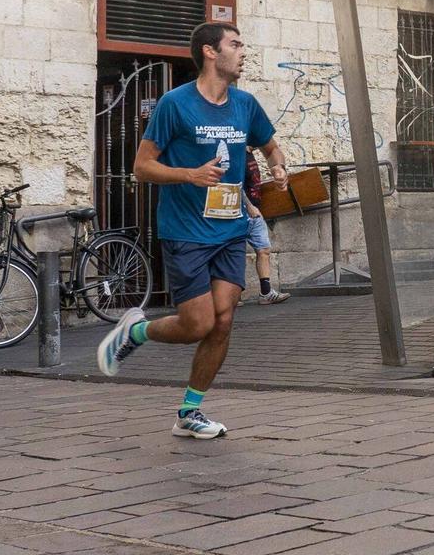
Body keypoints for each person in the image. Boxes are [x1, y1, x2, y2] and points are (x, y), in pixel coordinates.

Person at [94, 22, 288, 438]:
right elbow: (142, 167)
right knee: (198, 324)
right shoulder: (175, 104)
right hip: (185, 230)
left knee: (223, 321)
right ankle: (137, 330)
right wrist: (190, 174)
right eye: (235, 44)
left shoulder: (246, 104)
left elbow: (269, 144)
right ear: (209, 52)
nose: (243, 52)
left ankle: (189, 410)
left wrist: (277, 165)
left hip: (231, 229)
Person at [242, 152, 288, 305]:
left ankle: (266, 292)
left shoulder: (250, 154)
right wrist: (249, 206)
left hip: (255, 210)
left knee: (264, 250)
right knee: (235, 253)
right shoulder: (236, 152)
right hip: (241, 211)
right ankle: (233, 296)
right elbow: (234, 184)